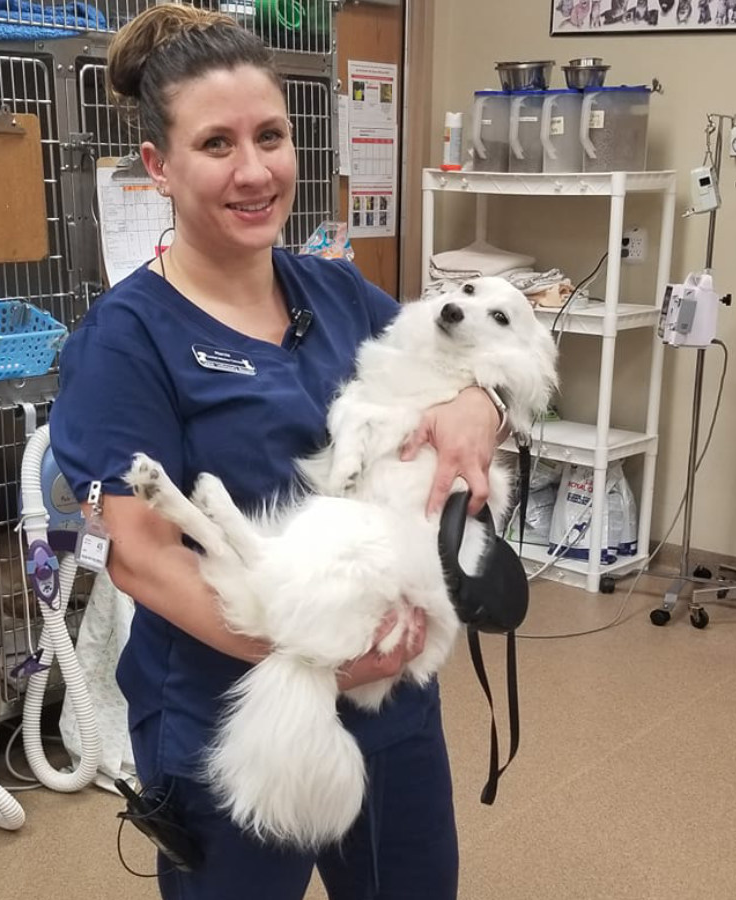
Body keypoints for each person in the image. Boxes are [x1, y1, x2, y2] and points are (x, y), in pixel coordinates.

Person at [49, 5, 503, 899]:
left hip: (390, 697)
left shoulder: (334, 289)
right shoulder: (126, 339)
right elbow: (141, 558)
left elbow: (465, 358)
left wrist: (480, 405)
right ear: (159, 167)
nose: (254, 171)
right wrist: (314, 658)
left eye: (271, 136)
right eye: (216, 144)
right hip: (235, 710)